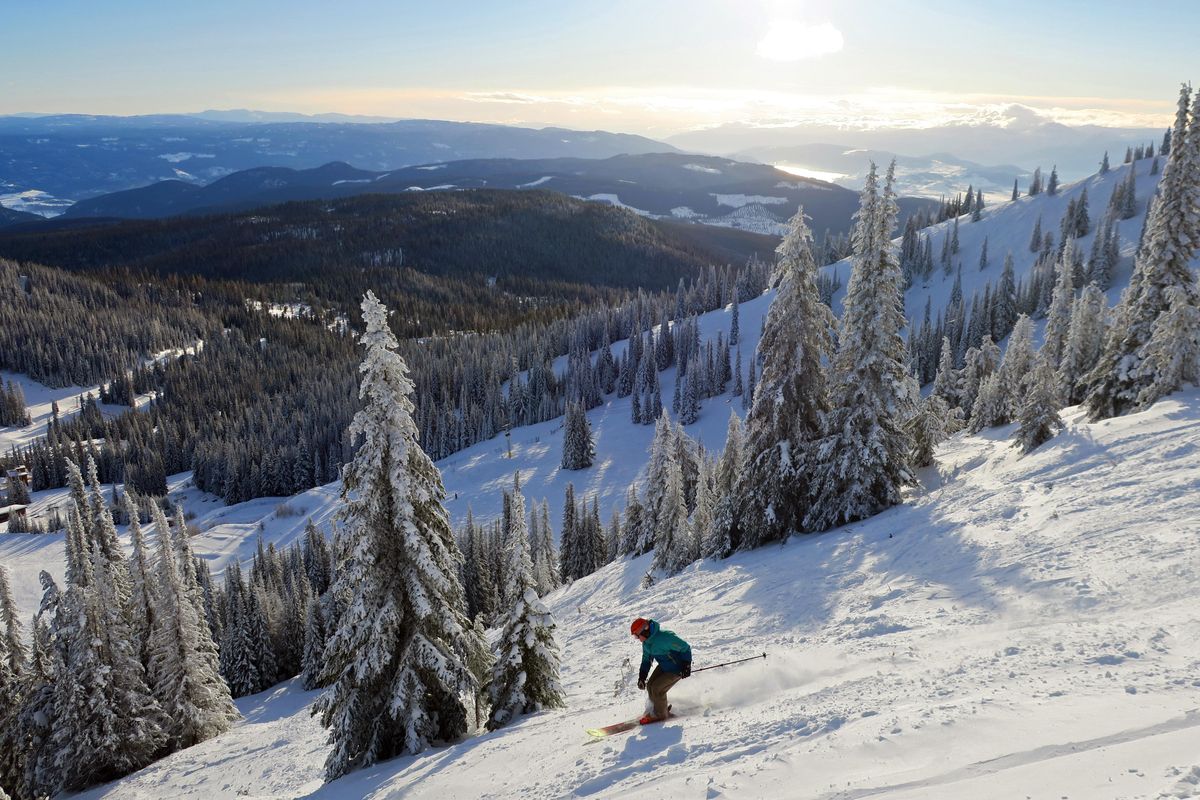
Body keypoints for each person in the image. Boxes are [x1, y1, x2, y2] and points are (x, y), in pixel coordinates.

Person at [631, 617, 692, 724]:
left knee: (657, 688)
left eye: (637, 635)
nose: (638, 639)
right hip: (665, 666)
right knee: (650, 686)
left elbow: (685, 648)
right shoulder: (646, 643)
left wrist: (686, 665)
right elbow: (646, 660)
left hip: (677, 668)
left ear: (645, 631)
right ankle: (657, 709)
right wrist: (642, 677)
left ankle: (661, 714)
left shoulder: (664, 638)